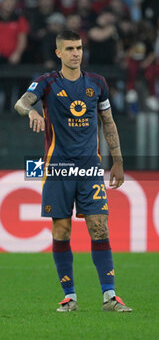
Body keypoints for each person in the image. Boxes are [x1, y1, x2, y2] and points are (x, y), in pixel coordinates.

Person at [14, 30, 132, 313]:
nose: (76, 53)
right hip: (57, 168)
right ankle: (70, 296)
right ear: (58, 53)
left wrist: (118, 160)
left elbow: (108, 122)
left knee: (98, 226)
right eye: (69, 49)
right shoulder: (46, 83)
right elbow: (20, 103)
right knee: (62, 229)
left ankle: (110, 297)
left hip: (90, 167)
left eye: (78, 48)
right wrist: (32, 112)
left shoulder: (97, 83)